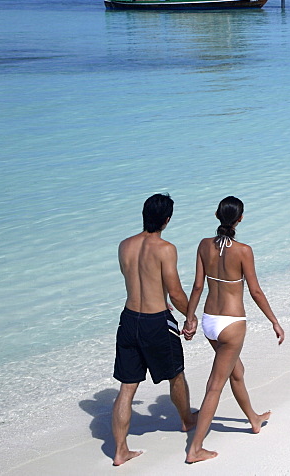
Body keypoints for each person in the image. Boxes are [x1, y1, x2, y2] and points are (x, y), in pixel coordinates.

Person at [184, 196, 285, 464]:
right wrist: (274, 321)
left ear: (217, 215)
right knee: (215, 386)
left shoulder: (204, 245)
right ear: (240, 219)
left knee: (236, 372)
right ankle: (195, 449)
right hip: (231, 323)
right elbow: (255, 291)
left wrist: (190, 318)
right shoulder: (243, 250)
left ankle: (253, 419)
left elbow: (196, 286)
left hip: (209, 321)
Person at [111, 193, 198, 466]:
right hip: (156, 322)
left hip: (128, 320)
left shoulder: (124, 246)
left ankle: (120, 451)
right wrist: (191, 317)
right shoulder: (165, 248)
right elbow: (175, 292)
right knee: (176, 375)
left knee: (127, 388)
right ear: (167, 220)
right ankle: (186, 420)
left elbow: (139, 278)